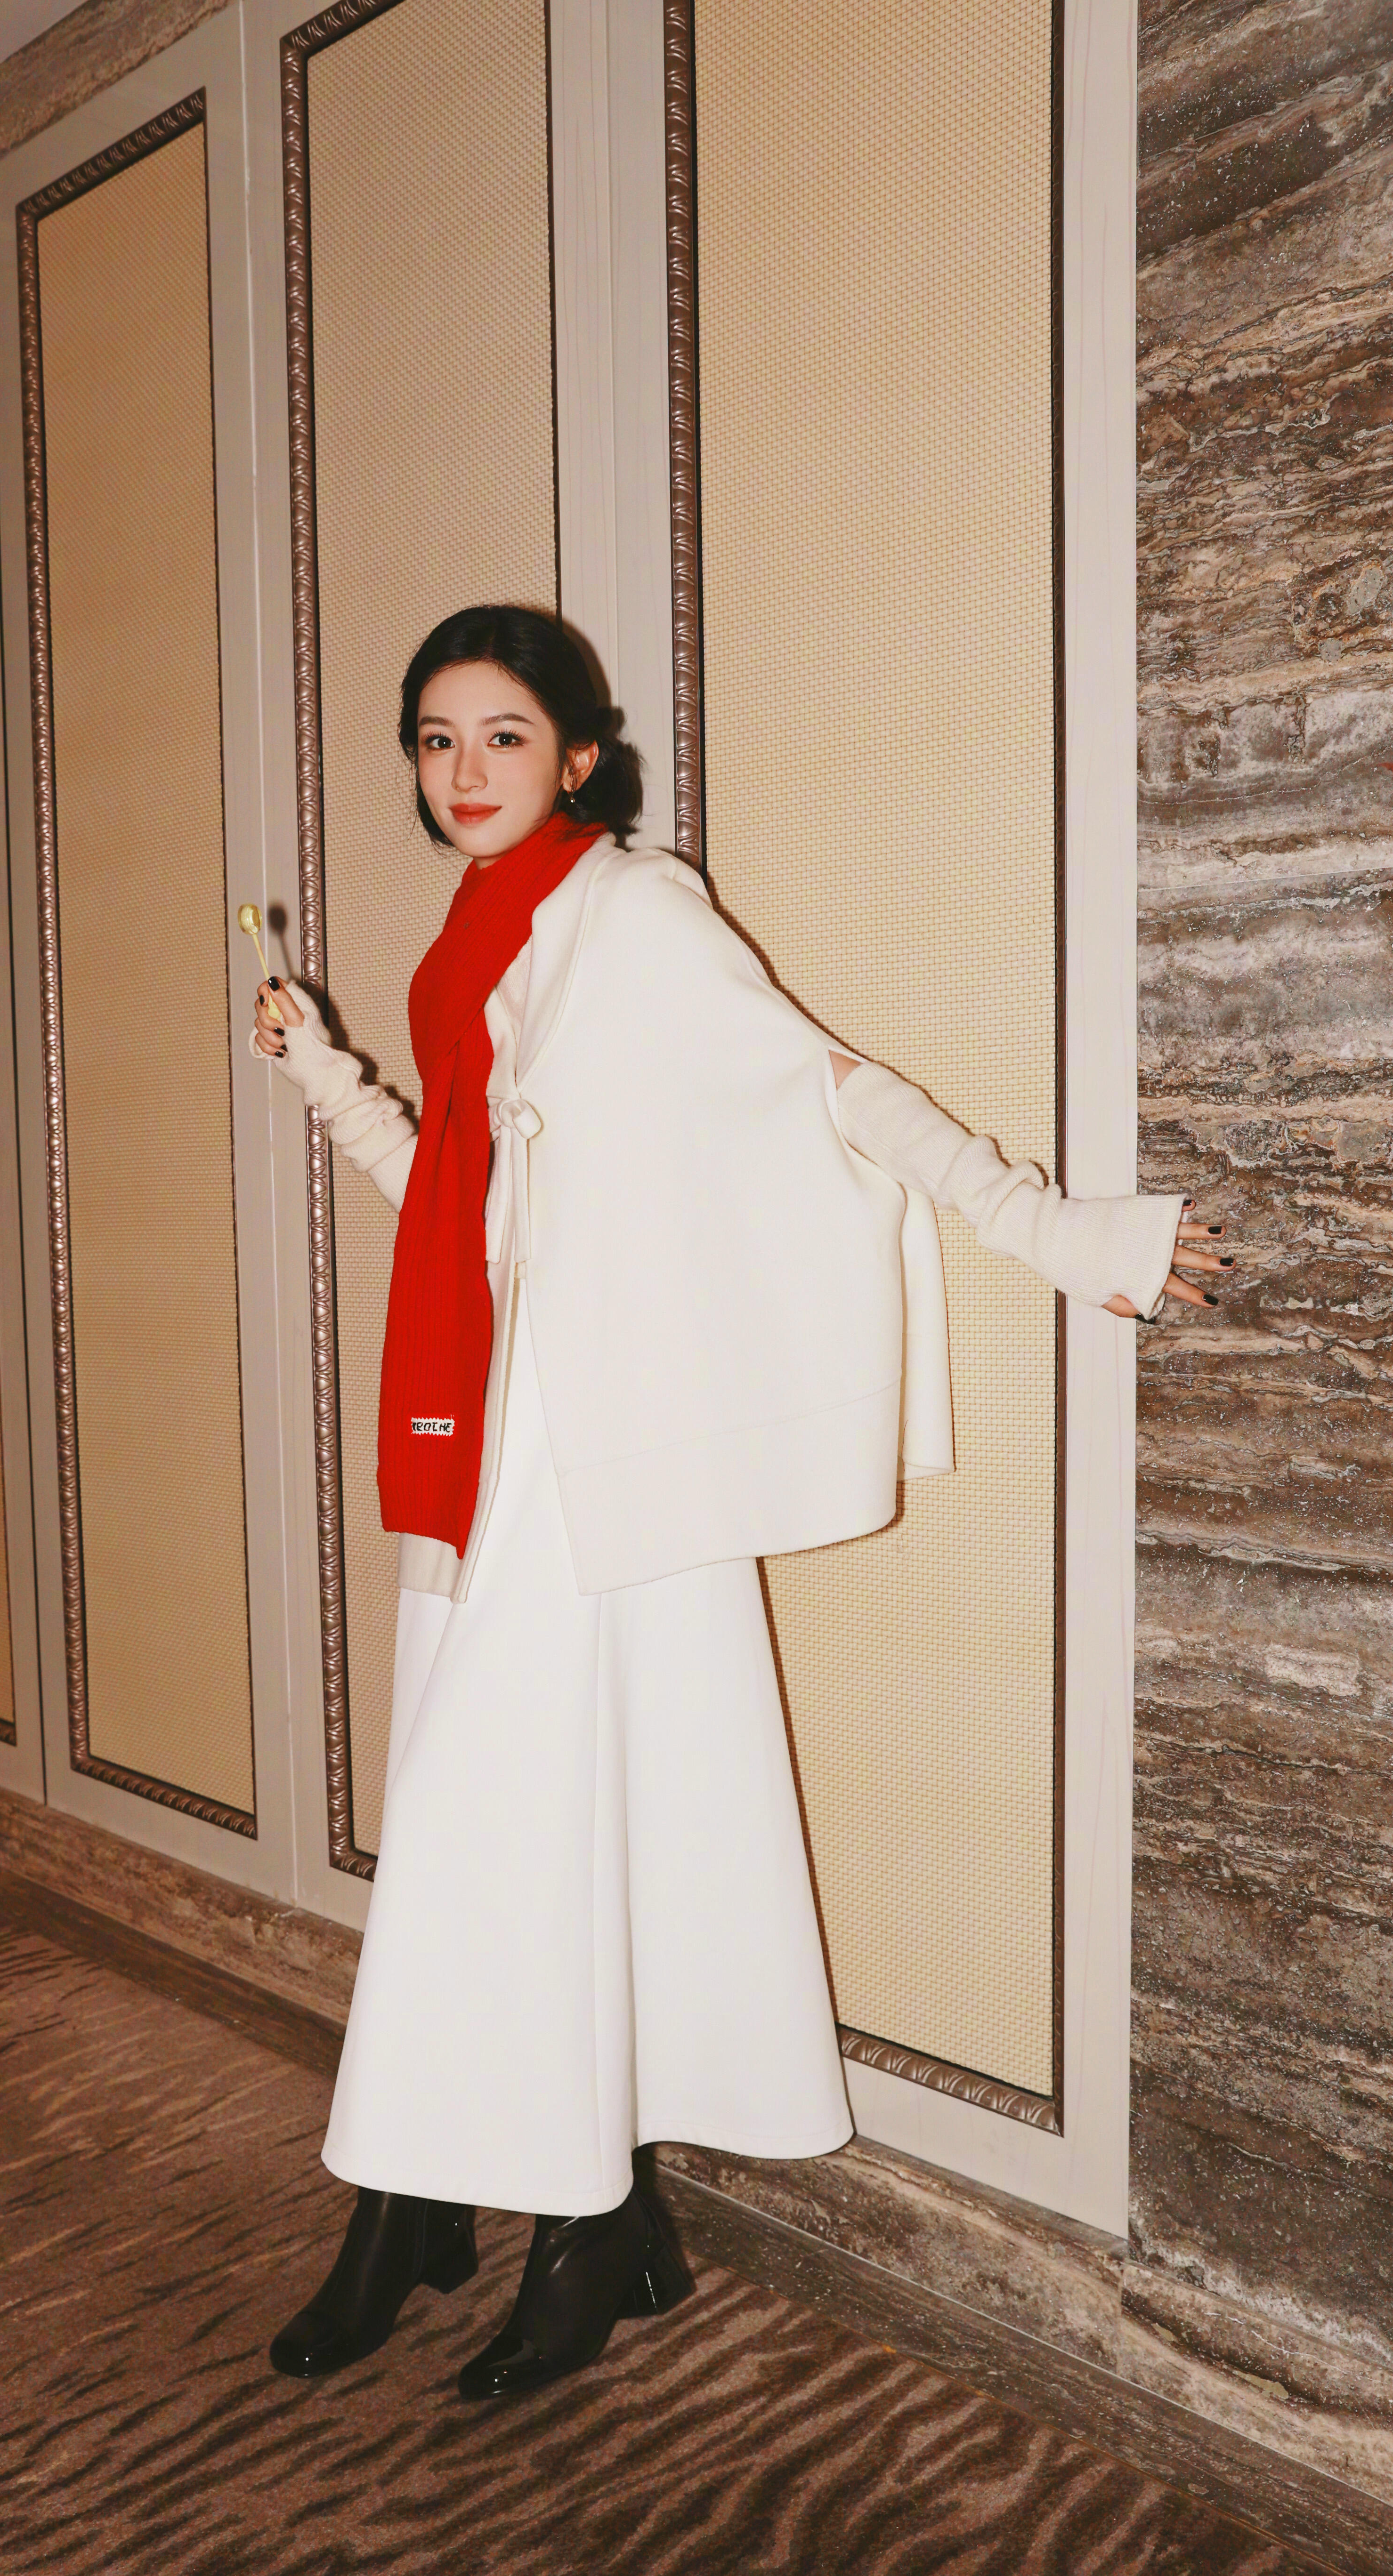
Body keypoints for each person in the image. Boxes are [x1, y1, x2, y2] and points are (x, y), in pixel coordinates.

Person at [253, 604, 1229, 2402]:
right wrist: (324, 1071)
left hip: (600, 1448)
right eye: (436, 740)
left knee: (509, 1830)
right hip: (486, 1428)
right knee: (511, 1835)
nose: (465, 770)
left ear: (579, 755)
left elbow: (833, 1087)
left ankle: (523, 2214)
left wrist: (1058, 1229)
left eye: (502, 735)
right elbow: (465, 1211)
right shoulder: (470, 934)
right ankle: (488, 2206)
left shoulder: (633, 911)